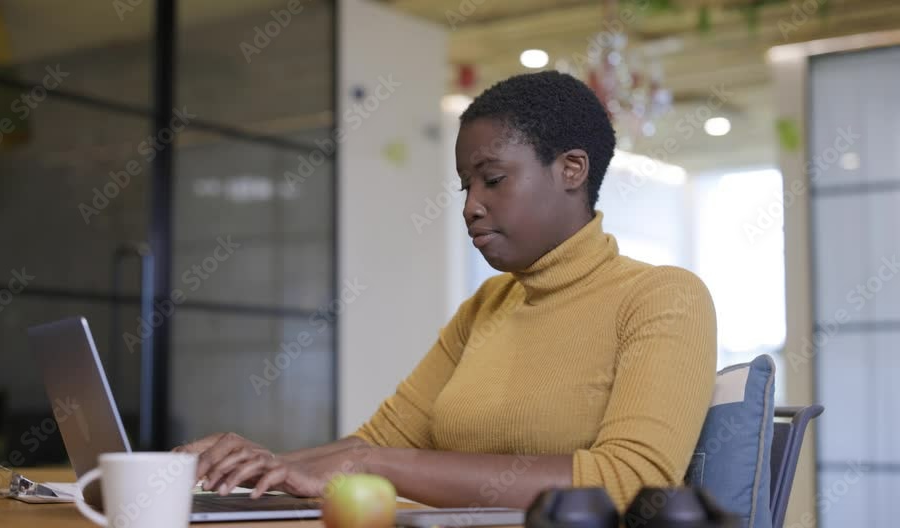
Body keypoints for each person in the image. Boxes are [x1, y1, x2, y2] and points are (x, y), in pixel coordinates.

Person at [175, 71, 717, 511]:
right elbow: (376, 445)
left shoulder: (662, 297)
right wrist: (261, 466)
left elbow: (630, 484)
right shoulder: (486, 306)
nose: (470, 206)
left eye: (493, 180)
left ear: (571, 169)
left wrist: (370, 466)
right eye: (466, 185)